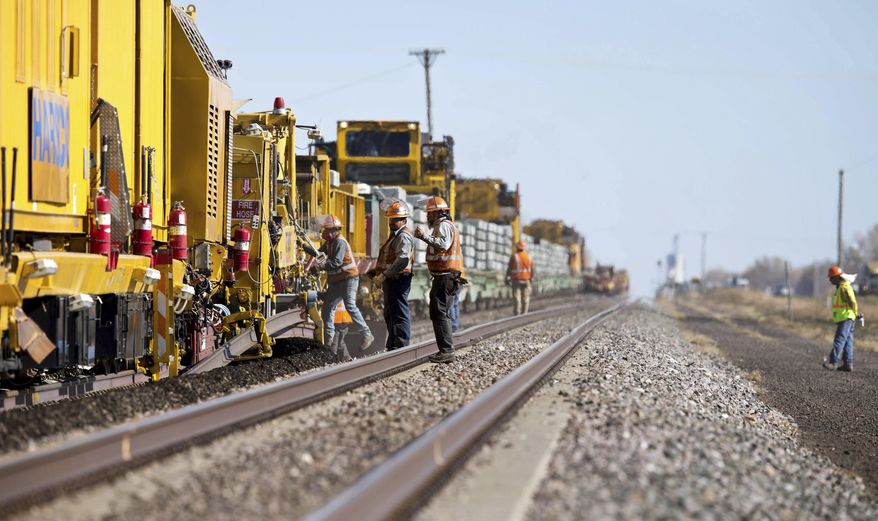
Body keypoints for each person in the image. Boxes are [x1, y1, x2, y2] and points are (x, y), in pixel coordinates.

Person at [414, 196, 464, 363]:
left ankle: (447, 351)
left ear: (436, 213)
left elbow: (442, 245)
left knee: (439, 312)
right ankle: (445, 350)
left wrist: (423, 237)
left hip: (445, 276)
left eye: (429, 214)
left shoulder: (443, 225)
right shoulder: (444, 225)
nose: (427, 217)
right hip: (445, 276)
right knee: (440, 312)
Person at [313, 215, 374, 351]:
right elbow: (317, 252)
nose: (323, 233)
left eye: (326, 230)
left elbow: (336, 262)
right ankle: (328, 342)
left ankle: (367, 334)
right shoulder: (330, 242)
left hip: (349, 279)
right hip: (338, 281)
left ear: (334, 230)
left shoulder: (340, 242)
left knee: (350, 305)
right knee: (328, 307)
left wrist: (320, 267)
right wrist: (303, 245)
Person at [371, 201, 415, 350]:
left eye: (396, 219)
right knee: (390, 313)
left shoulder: (403, 236)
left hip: (399, 280)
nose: (392, 222)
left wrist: (384, 275)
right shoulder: (395, 236)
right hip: (392, 280)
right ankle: (393, 345)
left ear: (404, 220)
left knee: (399, 314)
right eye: (391, 219)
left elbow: (402, 260)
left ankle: (401, 346)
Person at [822, 265, 862, 372]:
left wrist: (855, 312)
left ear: (838, 277)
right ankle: (848, 364)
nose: (830, 280)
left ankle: (833, 362)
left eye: (831, 278)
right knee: (848, 340)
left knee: (839, 339)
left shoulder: (844, 287)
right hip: (846, 317)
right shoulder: (840, 287)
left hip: (846, 318)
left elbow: (852, 301)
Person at [506, 240, 534, 315]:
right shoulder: (529, 257)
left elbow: (509, 268)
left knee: (516, 297)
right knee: (526, 297)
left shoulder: (514, 256)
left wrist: (507, 277)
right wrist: (531, 278)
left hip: (516, 279)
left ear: (517, 247)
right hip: (526, 279)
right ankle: (524, 313)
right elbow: (532, 268)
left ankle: (517, 313)